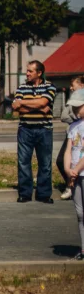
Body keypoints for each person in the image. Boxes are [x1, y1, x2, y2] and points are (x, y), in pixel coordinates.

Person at [12, 60, 56, 204]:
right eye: (27, 70)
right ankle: (25, 193)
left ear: (39, 73)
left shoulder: (49, 86)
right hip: (25, 129)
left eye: (30, 71)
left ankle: (43, 194)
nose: (27, 73)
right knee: (24, 162)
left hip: (44, 129)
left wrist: (24, 103)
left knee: (45, 163)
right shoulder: (22, 87)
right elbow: (16, 108)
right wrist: (38, 106)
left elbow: (43, 103)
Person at [62, 89, 84, 261]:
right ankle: (83, 249)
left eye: (79, 107)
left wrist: (76, 169)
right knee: (80, 214)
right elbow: (68, 150)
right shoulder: (73, 126)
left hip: (81, 172)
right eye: (74, 108)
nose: (76, 111)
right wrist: (68, 170)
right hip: (75, 174)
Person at [57, 76, 84, 200]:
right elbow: (64, 115)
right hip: (73, 134)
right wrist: (70, 171)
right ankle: (70, 182)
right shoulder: (74, 126)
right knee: (62, 159)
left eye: (74, 85)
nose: (71, 88)